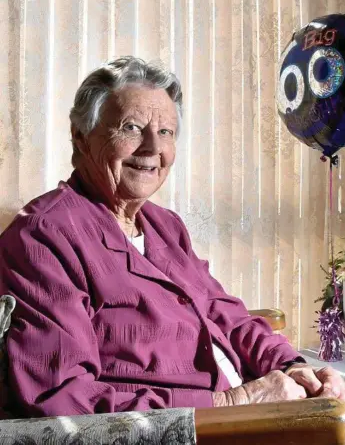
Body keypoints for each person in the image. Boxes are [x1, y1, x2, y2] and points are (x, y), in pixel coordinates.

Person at [0, 56, 344, 418]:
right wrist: (235, 403)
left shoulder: (165, 226)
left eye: (166, 132)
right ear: (81, 138)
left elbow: (225, 313)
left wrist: (291, 366)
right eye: (131, 127)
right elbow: (63, 399)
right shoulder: (43, 237)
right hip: (196, 430)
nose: (152, 148)